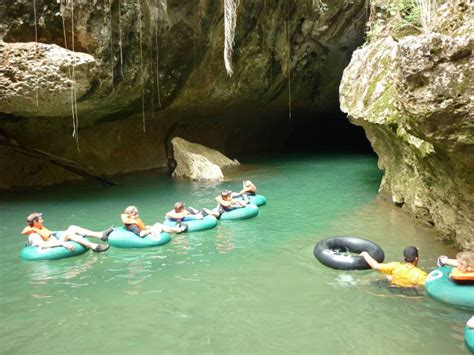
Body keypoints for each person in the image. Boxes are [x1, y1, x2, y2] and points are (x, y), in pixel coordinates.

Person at [21, 212, 112, 253]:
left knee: (72, 227)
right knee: (68, 234)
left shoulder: (39, 227)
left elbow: (51, 234)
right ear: (36, 221)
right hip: (52, 246)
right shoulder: (33, 235)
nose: (42, 219)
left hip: (55, 240)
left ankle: (100, 235)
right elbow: (43, 245)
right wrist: (63, 243)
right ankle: (94, 246)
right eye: (40, 218)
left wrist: (64, 232)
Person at [360, 246, 427, 287]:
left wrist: (365, 254)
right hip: (408, 294)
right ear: (416, 259)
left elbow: (375, 266)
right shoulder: (420, 275)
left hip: (392, 288)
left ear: (404, 258)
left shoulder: (395, 266)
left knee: (387, 277)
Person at [121, 205, 187, 238]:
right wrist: (151, 230)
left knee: (157, 224)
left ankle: (176, 229)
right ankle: (178, 230)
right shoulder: (131, 225)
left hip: (146, 231)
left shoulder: (132, 221)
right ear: (129, 215)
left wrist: (147, 227)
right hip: (146, 235)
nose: (137, 215)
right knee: (160, 226)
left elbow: (140, 228)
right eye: (134, 214)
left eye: (137, 213)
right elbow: (141, 234)